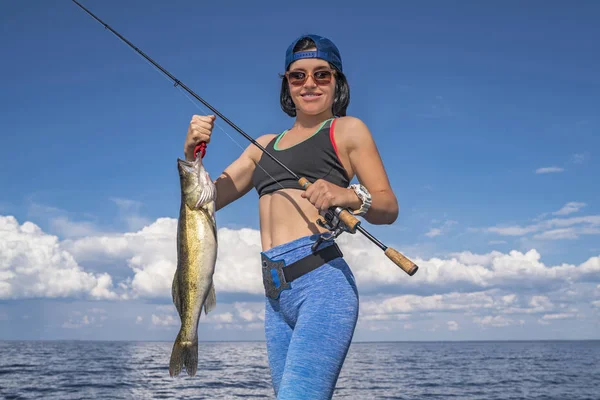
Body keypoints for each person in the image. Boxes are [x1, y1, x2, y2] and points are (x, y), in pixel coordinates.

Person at [183, 34, 398, 399]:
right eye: (298, 76)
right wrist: (192, 154)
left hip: (322, 285)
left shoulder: (347, 129)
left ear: (338, 82)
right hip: (275, 295)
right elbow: (208, 199)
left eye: (322, 74)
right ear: (286, 84)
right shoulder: (263, 144)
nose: (309, 84)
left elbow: (387, 207)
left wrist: (345, 194)